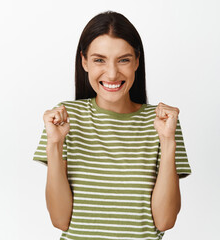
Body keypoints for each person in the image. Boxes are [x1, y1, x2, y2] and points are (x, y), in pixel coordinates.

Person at [33, 10, 192, 240]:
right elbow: (60, 220)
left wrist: (167, 142)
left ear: (137, 61)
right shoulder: (65, 119)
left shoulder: (162, 123)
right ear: (84, 61)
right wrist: (54, 145)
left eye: (123, 60)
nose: (111, 73)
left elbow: (165, 221)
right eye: (99, 60)